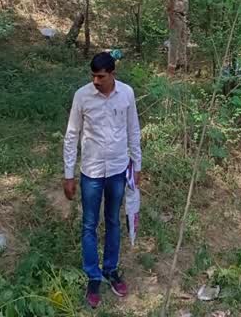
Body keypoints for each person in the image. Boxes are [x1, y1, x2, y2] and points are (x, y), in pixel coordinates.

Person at [63, 52, 142, 309]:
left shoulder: (127, 94)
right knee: (89, 224)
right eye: (93, 76)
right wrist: (68, 174)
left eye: (101, 76)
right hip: (91, 172)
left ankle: (110, 269)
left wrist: (137, 164)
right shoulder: (82, 96)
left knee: (113, 222)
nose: (96, 81)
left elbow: (133, 130)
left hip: (118, 170)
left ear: (112, 74)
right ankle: (93, 276)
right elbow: (72, 134)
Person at [166, 0, 189, 75]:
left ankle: (182, 64)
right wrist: (170, 16)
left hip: (183, 15)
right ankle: (172, 68)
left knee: (183, 40)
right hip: (175, 15)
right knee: (174, 41)